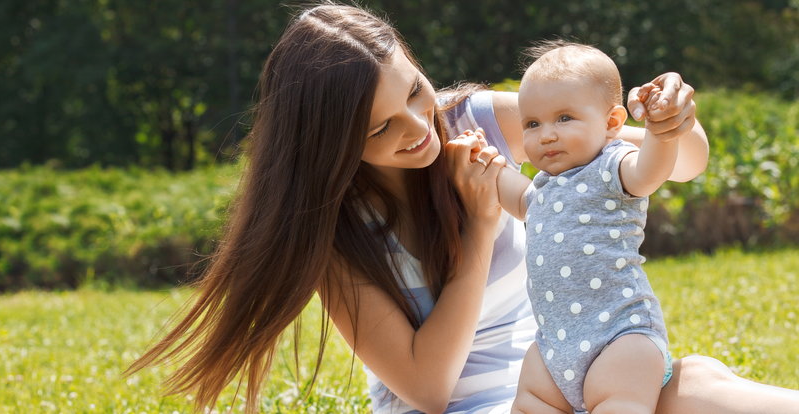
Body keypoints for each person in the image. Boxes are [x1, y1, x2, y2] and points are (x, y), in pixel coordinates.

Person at [124, 4, 799, 413]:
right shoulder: (336, 238)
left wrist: (673, 123)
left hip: (566, 372)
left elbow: (673, 163)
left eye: (414, 93)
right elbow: (428, 388)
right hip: (481, 405)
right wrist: (477, 236)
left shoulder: (478, 120)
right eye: (379, 129)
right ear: (331, 147)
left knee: (688, 387)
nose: (418, 128)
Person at [480, 42, 679, 414]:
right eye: (532, 124)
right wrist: (487, 163)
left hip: (620, 336)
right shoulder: (541, 187)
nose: (547, 134)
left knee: (618, 404)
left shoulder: (613, 166)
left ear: (612, 123)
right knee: (527, 403)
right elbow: (518, 198)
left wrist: (660, 134)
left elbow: (650, 172)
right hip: (554, 343)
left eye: (564, 118)